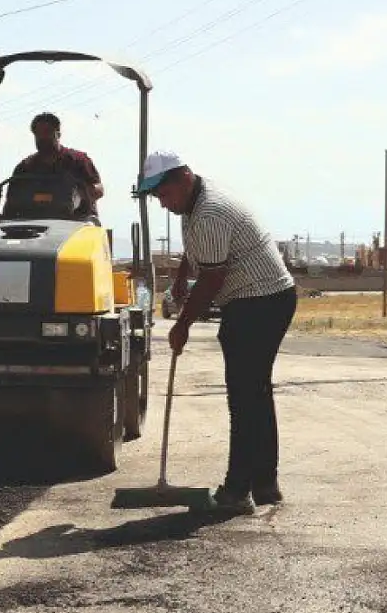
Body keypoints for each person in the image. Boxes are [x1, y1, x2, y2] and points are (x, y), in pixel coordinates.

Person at [139, 150, 297, 515]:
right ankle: (265, 485)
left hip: (262, 301)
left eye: (163, 194)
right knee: (254, 393)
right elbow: (197, 255)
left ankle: (238, 490)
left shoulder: (210, 211)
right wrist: (180, 278)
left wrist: (182, 325)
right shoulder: (192, 205)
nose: (162, 204)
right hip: (252, 300)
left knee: (245, 398)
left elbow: (212, 277)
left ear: (183, 178)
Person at [7, 112, 104, 220]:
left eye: (47, 132)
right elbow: (10, 206)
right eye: (38, 134)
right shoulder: (25, 168)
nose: (43, 137)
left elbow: (99, 190)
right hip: (33, 227)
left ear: (58, 134)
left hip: (76, 224)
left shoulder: (78, 161)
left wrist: (82, 191)